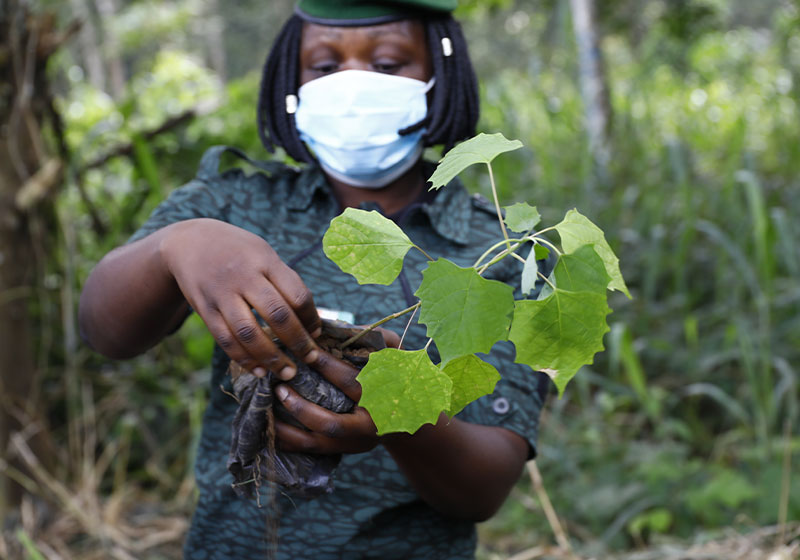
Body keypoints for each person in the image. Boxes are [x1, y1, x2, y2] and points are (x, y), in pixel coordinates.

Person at [78, 0, 551, 558]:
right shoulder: (233, 203)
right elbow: (104, 331)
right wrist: (176, 245)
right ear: (290, 80)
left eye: (389, 64)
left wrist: (402, 413)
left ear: (439, 74)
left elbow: (483, 489)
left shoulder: (501, 252)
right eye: (325, 68)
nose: (352, 85)